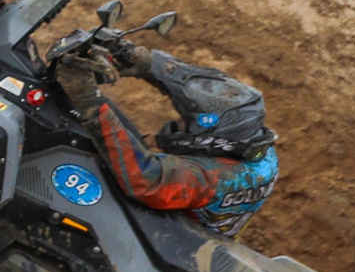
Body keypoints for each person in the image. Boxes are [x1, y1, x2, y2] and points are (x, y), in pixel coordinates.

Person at [51, 37, 277, 238]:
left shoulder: (209, 179)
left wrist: (89, 102)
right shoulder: (260, 151)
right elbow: (210, 100)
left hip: (177, 245)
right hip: (207, 235)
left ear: (212, 140)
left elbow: (146, 179)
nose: (179, 124)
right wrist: (147, 63)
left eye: (187, 123)